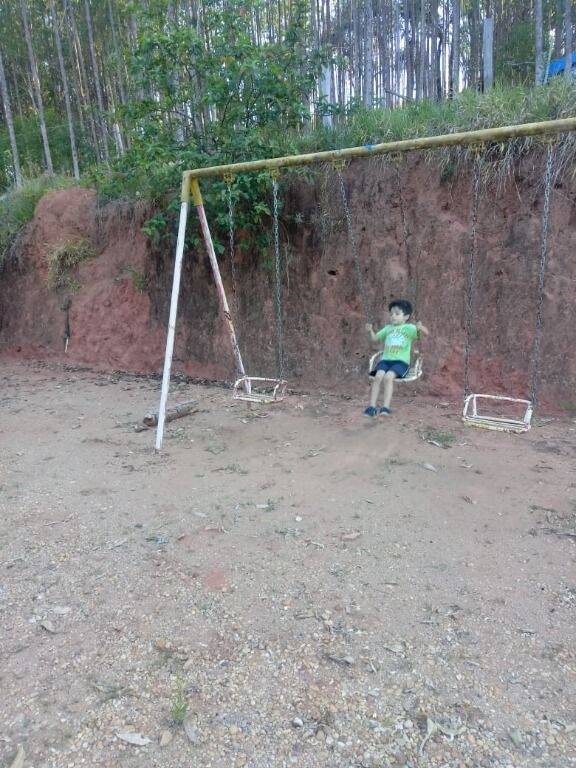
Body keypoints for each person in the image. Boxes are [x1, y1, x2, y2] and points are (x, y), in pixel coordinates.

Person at [364, 299, 429, 417]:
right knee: (378, 377)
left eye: (397, 314)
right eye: (391, 314)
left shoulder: (409, 328)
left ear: (406, 316)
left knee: (388, 378)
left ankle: (385, 407)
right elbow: (375, 339)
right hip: (385, 360)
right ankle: (371, 407)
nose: (393, 316)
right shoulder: (388, 328)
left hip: (400, 363)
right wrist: (370, 331)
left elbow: (425, 334)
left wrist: (421, 327)